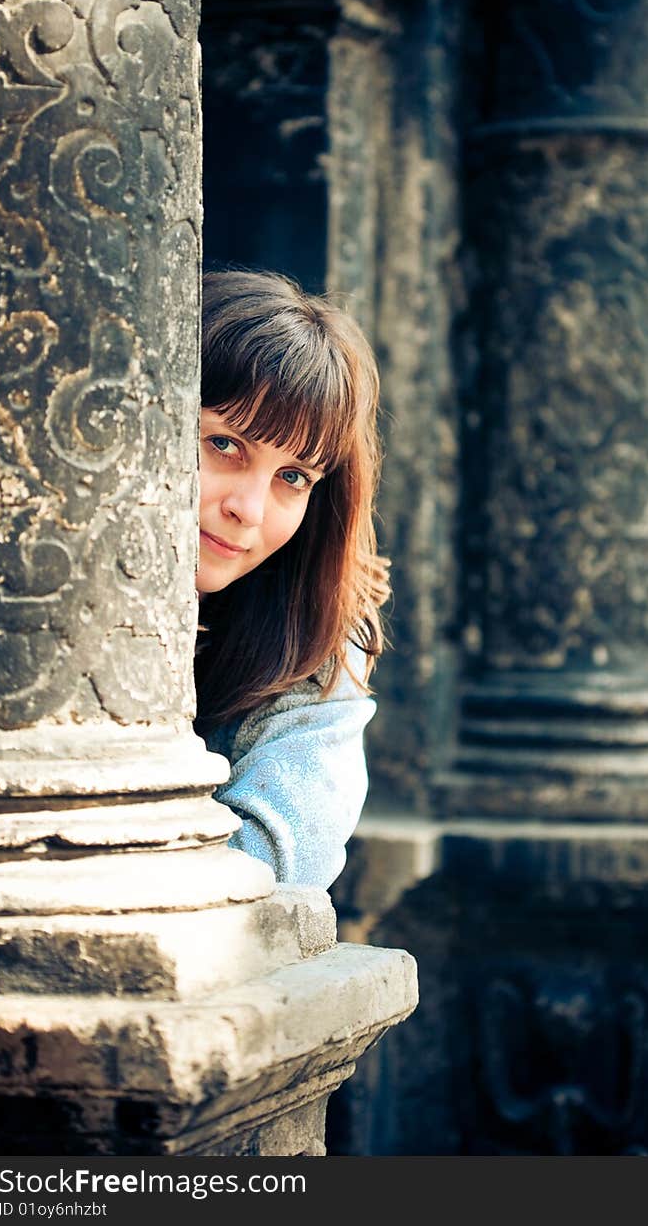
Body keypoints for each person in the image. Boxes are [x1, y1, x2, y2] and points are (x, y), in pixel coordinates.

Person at [193, 268, 388, 890]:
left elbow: (277, 857)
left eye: (293, 477)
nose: (248, 509)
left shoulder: (315, 638)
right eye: (224, 444)